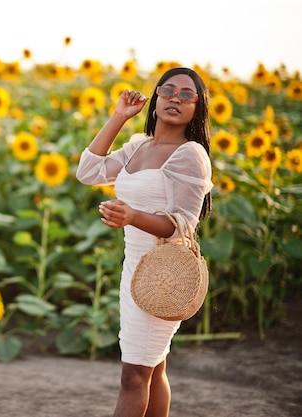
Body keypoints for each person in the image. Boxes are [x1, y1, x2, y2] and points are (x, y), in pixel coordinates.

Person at [76, 67, 213, 417]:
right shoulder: (138, 146)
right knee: (153, 368)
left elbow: (184, 224)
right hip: (133, 268)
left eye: (187, 95)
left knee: (133, 376)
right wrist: (119, 117)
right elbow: (89, 172)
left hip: (163, 273)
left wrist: (133, 216)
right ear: (154, 99)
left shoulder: (189, 154)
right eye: (167, 91)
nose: (175, 99)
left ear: (196, 109)